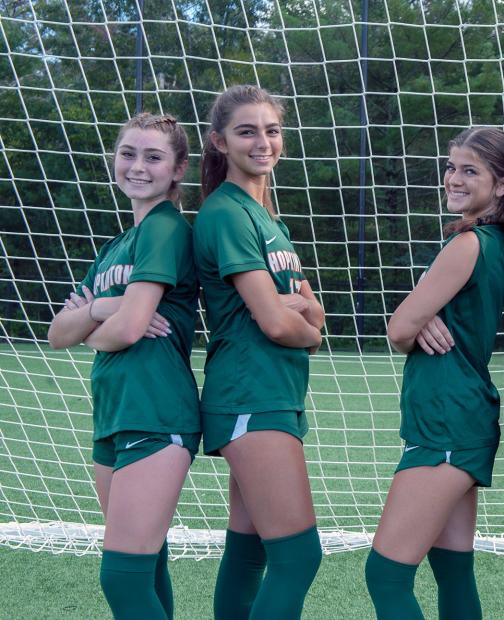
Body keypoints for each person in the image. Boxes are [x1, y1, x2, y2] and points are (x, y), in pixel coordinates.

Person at [364, 127, 504, 619]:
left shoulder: (470, 244)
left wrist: (415, 316)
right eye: (452, 166)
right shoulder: (490, 241)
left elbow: (397, 331)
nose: (454, 178)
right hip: (458, 415)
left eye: (470, 170)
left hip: (448, 420)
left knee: (385, 575)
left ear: (501, 185)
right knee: (453, 571)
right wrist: (421, 315)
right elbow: (413, 323)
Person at [48, 113, 199, 619]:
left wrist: (93, 325)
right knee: (147, 566)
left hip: (155, 412)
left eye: (153, 157)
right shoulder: (116, 246)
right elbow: (55, 333)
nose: (137, 166)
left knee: (123, 577)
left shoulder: (164, 228)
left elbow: (132, 330)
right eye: (128, 153)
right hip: (113, 414)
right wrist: (101, 309)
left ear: (177, 170)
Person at [193, 85, 325, 619]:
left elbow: (311, 307)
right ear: (219, 141)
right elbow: (279, 321)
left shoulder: (269, 219)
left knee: (249, 553)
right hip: (250, 392)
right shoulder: (226, 213)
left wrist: (304, 317)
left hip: (274, 393)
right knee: (297, 557)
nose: (262, 141)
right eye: (246, 130)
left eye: (271, 129)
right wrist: (310, 331)